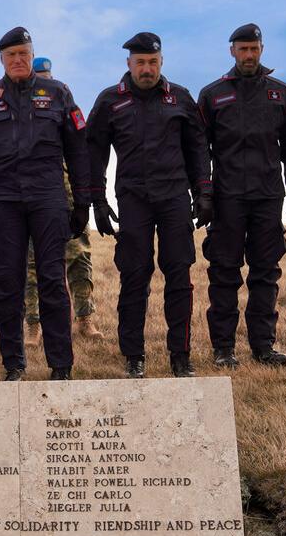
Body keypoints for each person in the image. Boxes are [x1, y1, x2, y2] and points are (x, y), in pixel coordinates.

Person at [0, 27, 92, 381]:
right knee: (6, 283)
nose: (18, 60)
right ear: (1, 59)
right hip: (3, 200)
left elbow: (78, 151)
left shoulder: (58, 93)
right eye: (11, 55)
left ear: (32, 56)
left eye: (24, 54)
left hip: (48, 197)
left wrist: (82, 202)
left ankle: (61, 365)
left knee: (51, 280)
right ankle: (13, 364)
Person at [87, 32, 212, 378]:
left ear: (162, 62)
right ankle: (133, 357)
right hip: (133, 200)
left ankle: (181, 356)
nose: (147, 68)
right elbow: (93, 151)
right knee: (134, 277)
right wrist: (97, 200)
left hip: (174, 199)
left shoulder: (181, 99)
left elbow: (198, 148)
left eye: (152, 62)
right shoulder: (111, 101)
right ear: (129, 64)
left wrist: (204, 192)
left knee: (179, 276)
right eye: (140, 62)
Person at [198, 23, 286, 369]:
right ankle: (224, 348)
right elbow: (200, 149)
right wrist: (203, 192)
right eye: (242, 49)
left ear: (262, 49)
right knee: (224, 272)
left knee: (265, 272)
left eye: (254, 49)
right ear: (231, 51)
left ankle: (263, 346)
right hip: (227, 198)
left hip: (267, 196)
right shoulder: (213, 94)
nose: (248, 55)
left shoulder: (281, 93)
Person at [22, 56, 101, 343]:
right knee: (31, 265)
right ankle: (33, 324)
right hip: (36, 199)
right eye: (38, 77)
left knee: (79, 258)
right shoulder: (22, 113)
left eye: (47, 76)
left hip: (68, 197)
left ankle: (84, 319)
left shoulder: (66, 106)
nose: (44, 82)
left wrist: (87, 197)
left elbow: (84, 151)